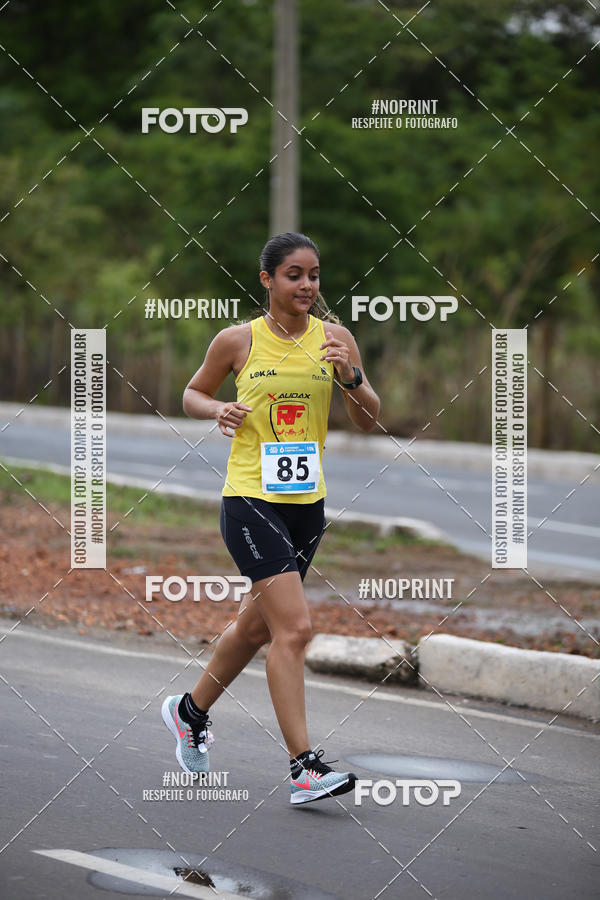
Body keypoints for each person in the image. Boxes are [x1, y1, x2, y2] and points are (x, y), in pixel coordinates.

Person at [162, 232, 380, 804]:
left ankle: (189, 712)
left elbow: (369, 419)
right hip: (250, 500)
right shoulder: (237, 340)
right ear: (267, 280)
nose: (307, 285)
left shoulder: (337, 340)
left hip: (307, 505)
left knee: (257, 628)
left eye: (314, 275)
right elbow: (192, 392)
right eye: (294, 275)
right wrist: (218, 408)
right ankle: (303, 769)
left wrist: (351, 377)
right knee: (295, 629)